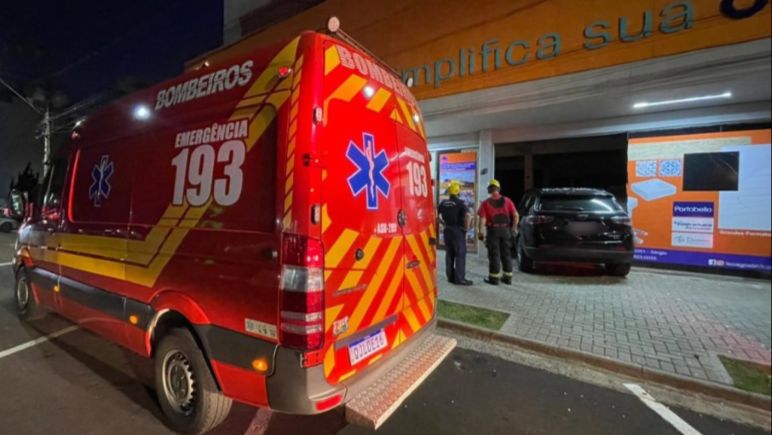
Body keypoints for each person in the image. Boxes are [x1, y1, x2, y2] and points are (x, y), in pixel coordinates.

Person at [477, 179, 519, 285]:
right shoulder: (508, 200)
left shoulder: (485, 203)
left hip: (493, 231)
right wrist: (514, 228)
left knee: (494, 254)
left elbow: (482, 219)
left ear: (489, 190)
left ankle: (494, 279)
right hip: (506, 230)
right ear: (498, 189)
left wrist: (480, 232)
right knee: (506, 253)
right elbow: (516, 215)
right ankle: (508, 277)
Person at [438, 181, 473, 285]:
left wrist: (442, 223)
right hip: (457, 231)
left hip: (447, 230)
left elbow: (435, 215)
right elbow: (468, 216)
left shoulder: (443, 203)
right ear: (458, 192)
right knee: (460, 254)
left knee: (449, 254)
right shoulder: (460, 203)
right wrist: (466, 228)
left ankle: (450, 277)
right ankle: (460, 279)